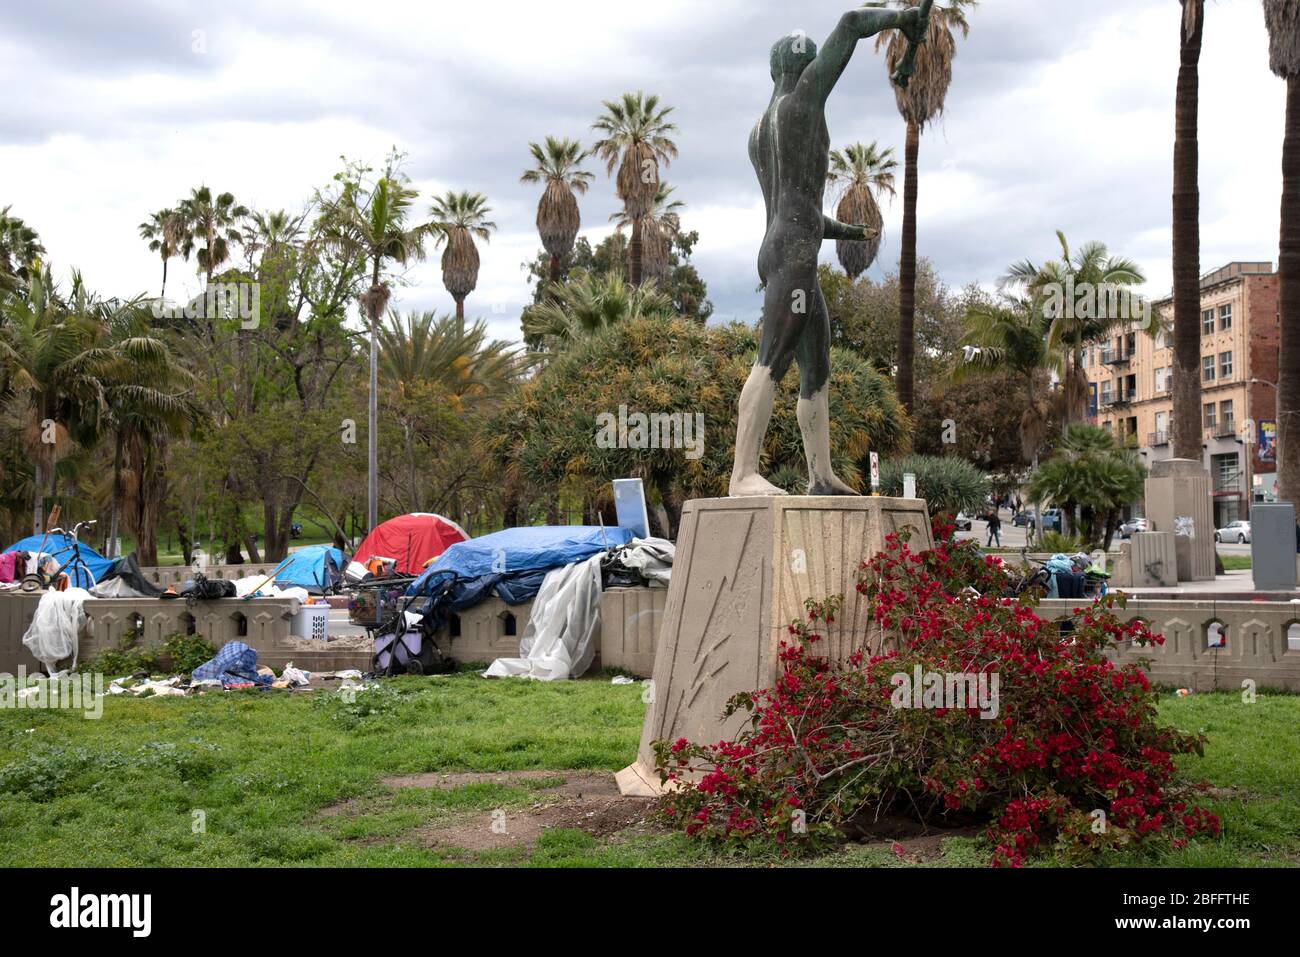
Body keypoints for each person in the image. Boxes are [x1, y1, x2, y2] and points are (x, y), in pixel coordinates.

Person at [729, 4, 931, 496]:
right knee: (771, 358)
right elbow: (850, 24)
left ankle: (820, 476)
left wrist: (852, 233)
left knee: (817, 367)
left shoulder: (761, 130)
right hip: (794, 251)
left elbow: (799, 207)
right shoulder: (803, 103)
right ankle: (743, 475)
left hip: (788, 242)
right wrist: (905, 17)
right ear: (801, 69)